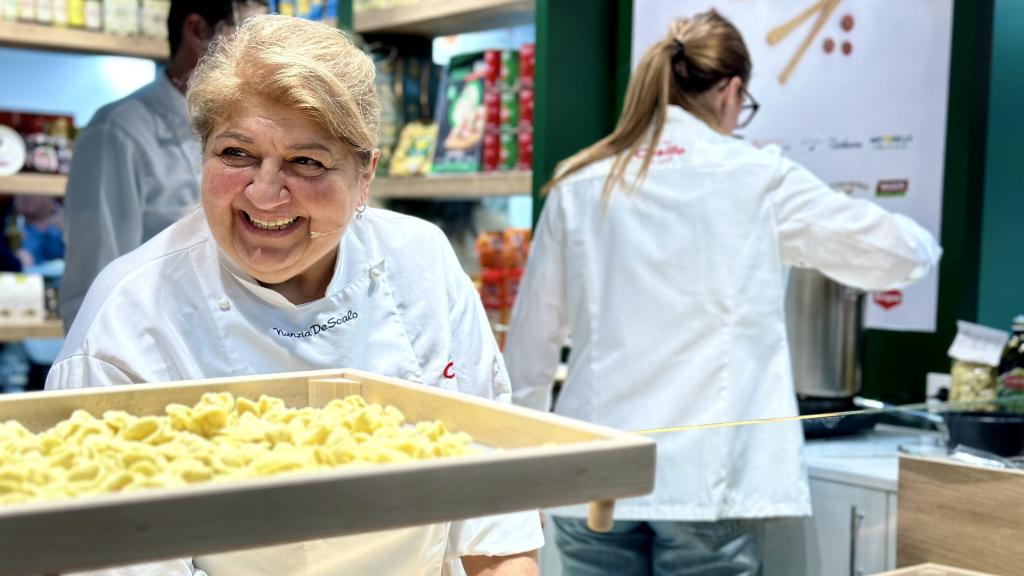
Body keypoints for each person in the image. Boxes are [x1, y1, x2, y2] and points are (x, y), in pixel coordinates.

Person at [47, 14, 541, 576]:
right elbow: (115, 558)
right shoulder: (130, 315)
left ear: (365, 176)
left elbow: (494, 514)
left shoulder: (419, 259)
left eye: (306, 162)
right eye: (236, 154)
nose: (265, 193)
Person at [504, 12, 941, 576]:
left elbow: (532, 351)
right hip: (707, 478)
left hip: (593, 474)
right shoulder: (757, 176)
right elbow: (904, 254)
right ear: (732, 92)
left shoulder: (581, 181)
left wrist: (518, 484)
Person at [59, 0, 268, 330]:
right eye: (250, 37)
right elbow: (92, 283)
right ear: (199, 31)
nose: (263, 56)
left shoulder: (254, 128)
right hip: (151, 349)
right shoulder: (117, 130)